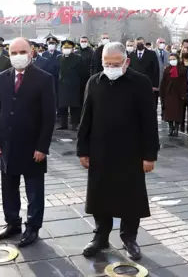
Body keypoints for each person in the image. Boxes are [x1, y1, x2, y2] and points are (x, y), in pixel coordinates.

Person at [77, 42, 159, 260]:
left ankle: (129, 237)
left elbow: (149, 121)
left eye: (116, 64)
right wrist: (82, 150)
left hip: (130, 152)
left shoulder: (140, 83)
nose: (111, 68)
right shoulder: (94, 82)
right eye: (107, 63)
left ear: (126, 62)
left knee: (130, 198)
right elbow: (86, 119)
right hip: (100, 150)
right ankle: (100, 237)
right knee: (99, 196)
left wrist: (150, 155)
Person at [0, 37, 56, 247]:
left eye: (22, 51)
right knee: (8, 187)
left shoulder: (44, 78)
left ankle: (33, 227)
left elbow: (49, 116)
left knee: (34, 190)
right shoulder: (3, 77)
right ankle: (12, 223)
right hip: (7, 144)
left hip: (32, 146)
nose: (18, 56)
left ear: (31, 52)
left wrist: (42, 146)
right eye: (13, 52)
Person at [57, 40, 88, 131]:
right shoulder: (59, 58)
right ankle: (63, 124)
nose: (66, 49)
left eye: (68, 48)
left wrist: (81, 85)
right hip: (62, 85)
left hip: (75, 85)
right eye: (65, 48)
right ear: (62, 49)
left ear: (72, 48)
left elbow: (83, 73)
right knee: (62, 106)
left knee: (75, 106)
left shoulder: (78, 58)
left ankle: (75, 124)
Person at [160, 53, 188, 136]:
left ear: (177, 59)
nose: (172, 61)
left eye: (173, 59)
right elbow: (163, 82)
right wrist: (162, 93)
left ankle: (176, 129)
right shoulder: (167, 69)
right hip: (168, 93)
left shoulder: (182, 69)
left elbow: (184, 83)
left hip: (178, 94)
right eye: (170, 59)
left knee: (177, 112)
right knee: (169, 112)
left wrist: (183, 93)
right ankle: (171, 128)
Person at [129, 37, 160, 109]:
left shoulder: (152, 54)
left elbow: (156, 70)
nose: (139, 45)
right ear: (135, 44)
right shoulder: (131, 55)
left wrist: (155, 85)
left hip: (148, 85)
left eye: (141, 43)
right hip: (135, 85)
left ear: (144, 43)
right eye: (137, 43)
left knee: (148, 106)